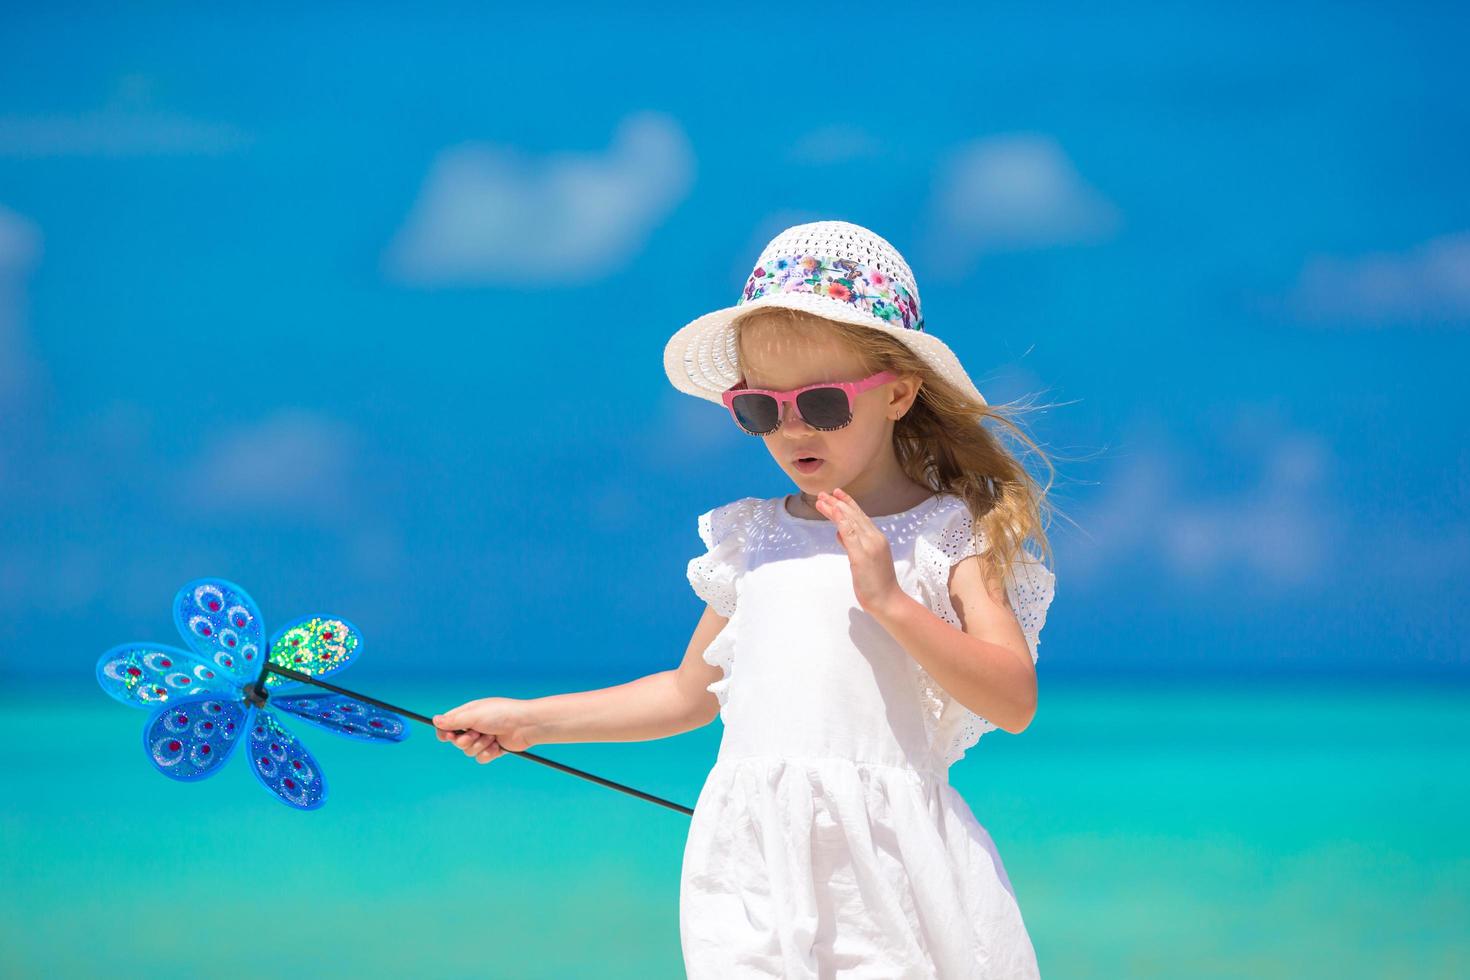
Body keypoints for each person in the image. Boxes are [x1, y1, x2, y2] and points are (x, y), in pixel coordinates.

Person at [432, 220, 1058, 978]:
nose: (792, 427)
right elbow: (688, 692)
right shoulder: (755, 537)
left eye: (823, 403)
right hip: (750, 871)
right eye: (762, 408)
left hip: (887, 875)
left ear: (897, 394)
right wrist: (531, 720)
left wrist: (892, 600)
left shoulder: (944, 532)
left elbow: (1013, 698)